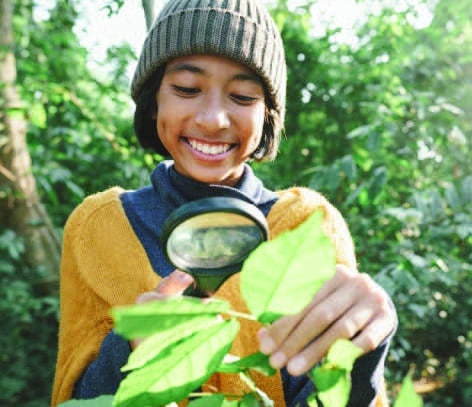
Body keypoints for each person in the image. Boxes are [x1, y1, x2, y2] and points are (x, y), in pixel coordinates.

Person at [51, 0, 397, 406]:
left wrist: (361, 351)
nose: (214, 118)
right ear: (153, 97)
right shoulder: (97, 227)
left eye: (243, 95)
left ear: (268, 113)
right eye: (186, 89)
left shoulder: (309, 225)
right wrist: (127, 351)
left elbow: (328, 392)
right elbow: (71, 397)